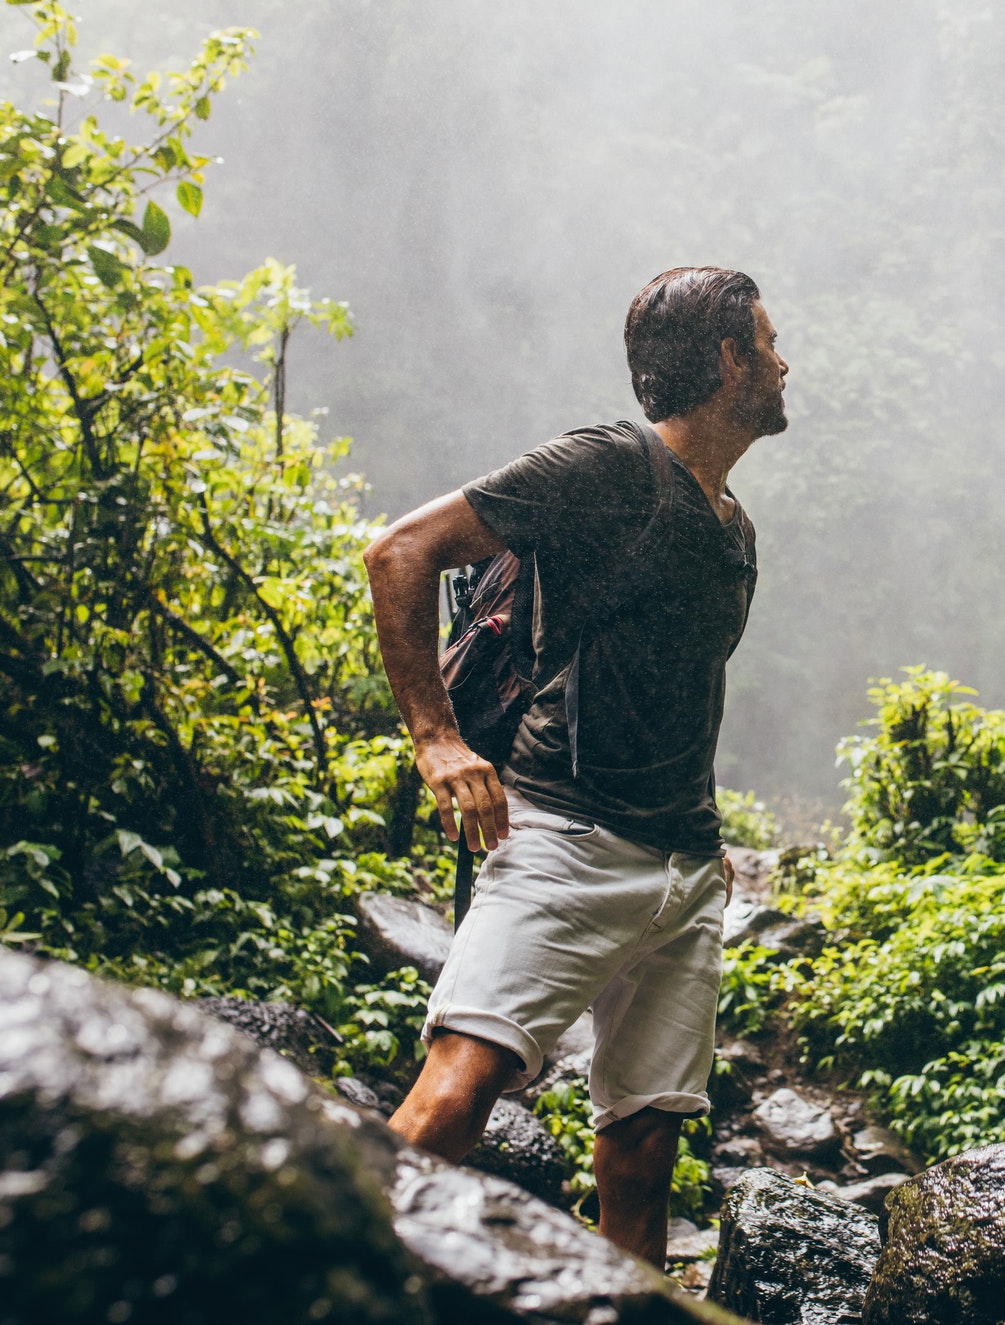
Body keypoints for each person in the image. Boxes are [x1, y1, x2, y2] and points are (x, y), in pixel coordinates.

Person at [361, 267, 786, 1265]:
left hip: (681, 879)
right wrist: (436, 739)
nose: (781, 360)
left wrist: (703, 838)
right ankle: (316, 1282)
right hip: (561, 843)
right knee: (458, 1094)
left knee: (639, 1161)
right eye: (766, 343)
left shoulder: (734, 529)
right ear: (726, 362)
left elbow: (674, 692)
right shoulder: (605, 464)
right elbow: (400, 551)